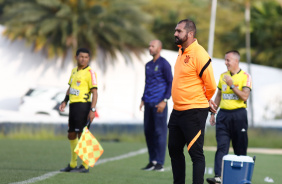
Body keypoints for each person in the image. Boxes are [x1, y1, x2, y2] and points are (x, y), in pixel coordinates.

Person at [168, 19, 217, 184]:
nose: (175, 33)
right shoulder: (181, 51)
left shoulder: (200, 53)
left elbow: (211, 85)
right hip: (177, 111)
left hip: (194, 111)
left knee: (195, 154)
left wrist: (205, 99)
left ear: (190, 34)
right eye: (175, 30)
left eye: (179, 31)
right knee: (174, 150)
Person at [206, 50, 252, 184]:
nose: (226, 63)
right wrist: (213, 113)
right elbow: (219, 96)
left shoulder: (245, 76)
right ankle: (218, 177)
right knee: (221, 147)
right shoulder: (222, 76)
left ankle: (241, 178)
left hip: (239, 115)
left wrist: (232, 85)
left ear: (236, 61)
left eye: (228, 60)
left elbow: (244, 96)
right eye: (225, 60)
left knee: (240, 148)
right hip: (223, 116)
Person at [59, 48, 98, 173]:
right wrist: (65, 101)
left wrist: (92, 109)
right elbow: (70, 88)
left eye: (86, 57)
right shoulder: (74, 71)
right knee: (71, 134)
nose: (84, 59)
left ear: (89, 58)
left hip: (83, 106)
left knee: (82, 134)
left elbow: (95, 93)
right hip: (73, 106)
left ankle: (85, 165)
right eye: (81, 57)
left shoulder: (90, 72)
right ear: (76, 57)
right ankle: (72, 164)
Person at [140, 40, 173, 172]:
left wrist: (164, 100)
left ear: (159, 48)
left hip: (159, 104)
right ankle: (152, 161)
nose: (150, 48)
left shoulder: (164, 64)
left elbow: (171, 83)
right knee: (148, 132)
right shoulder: (148, 65)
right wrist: (143, 99)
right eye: (149, 46)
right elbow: (147, 83)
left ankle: (159, 162)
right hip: (148, 103)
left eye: (152, 46)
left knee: (160, 133)